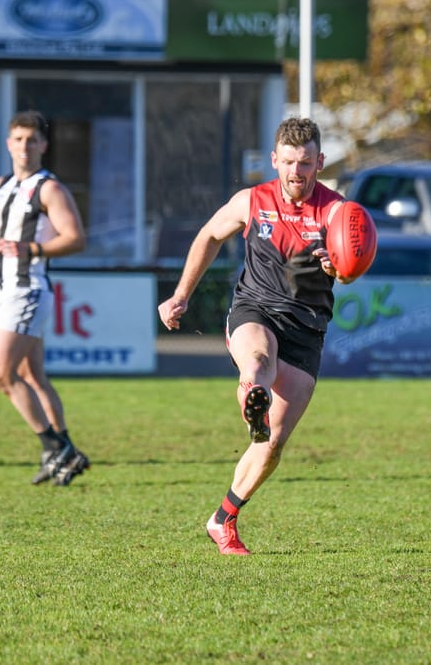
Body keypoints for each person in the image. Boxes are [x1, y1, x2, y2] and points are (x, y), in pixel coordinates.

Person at [158, 117, 355, 556]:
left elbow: (354, 267)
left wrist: (336, 266)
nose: (296, 172)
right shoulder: (252, 201)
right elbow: (209, 234)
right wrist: (181, 294)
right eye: (288, 162)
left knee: (271, 446)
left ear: (320, 162)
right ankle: (254, 393)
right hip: (256, 310)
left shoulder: (338, 211)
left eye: (305, 163)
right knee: (259, 360)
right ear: (274, 160)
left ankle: (223, 519)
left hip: (307, 329)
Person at [0, 110, 90, 486]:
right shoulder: (3, 185)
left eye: (32, 140)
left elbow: (75, 238)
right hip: (4, 288)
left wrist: (32, 248)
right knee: (31, 375)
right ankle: (65, 449)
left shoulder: (49, 189)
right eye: (18, 139)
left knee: (1, 374)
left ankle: (57, 447)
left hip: (28, 290)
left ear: (44, 145)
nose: (25, 146)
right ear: (9, 144)